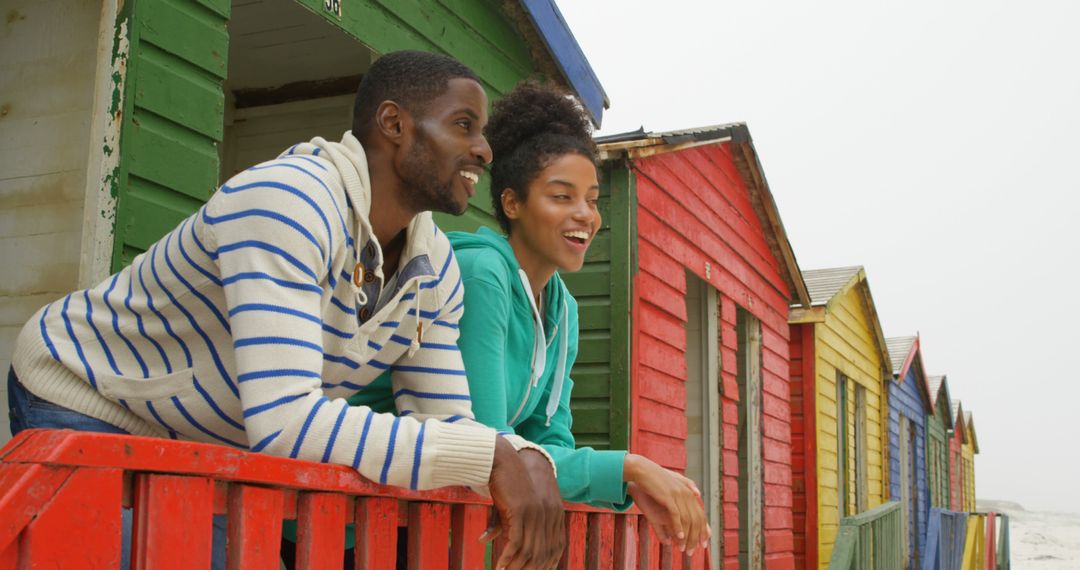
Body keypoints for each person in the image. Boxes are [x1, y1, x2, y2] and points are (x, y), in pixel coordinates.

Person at [7, 51, 563, 569]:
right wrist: (487, 455)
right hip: (91, 401)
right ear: (393, 124)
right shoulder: (290, 202)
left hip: (205, 442)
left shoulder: (434, 266)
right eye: (464, 125)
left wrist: (522, 453)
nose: (485, 150)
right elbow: (285, 422)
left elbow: (446, 420)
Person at [448, 81, 712, 555]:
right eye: (561, 196)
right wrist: (631, 468)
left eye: (591, 199)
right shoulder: (482, 274)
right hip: (350, 513)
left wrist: (630, 486)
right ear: (512, 204)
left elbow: (547, 443)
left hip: (436, 525)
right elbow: (490, 446)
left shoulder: (563, 309)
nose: (586, 215)